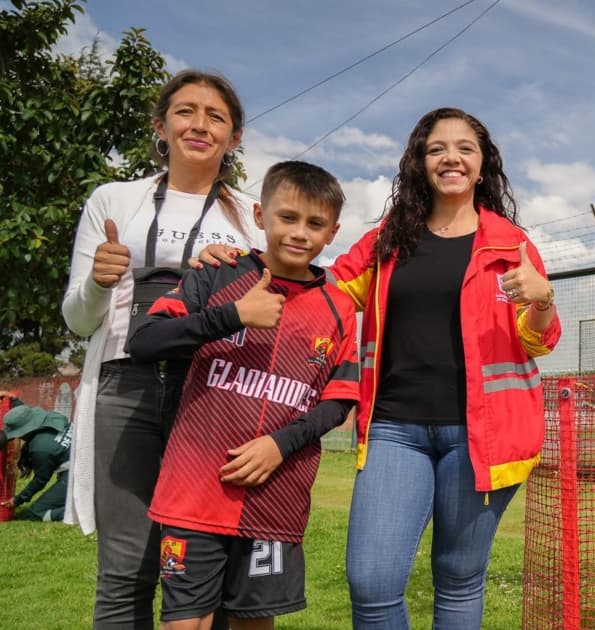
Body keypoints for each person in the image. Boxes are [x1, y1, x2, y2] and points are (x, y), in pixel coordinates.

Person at [337, 107, 559, 628]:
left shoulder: (513, 245)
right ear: (419, 162)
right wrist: (251, 264)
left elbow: (540, 340)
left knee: (458, 581)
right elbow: (328, 294)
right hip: (394, 429)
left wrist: (543, 300)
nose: (451, 157)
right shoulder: (387, 240)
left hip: (482, 436)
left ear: (482, 166)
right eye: (436, 148)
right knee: (371, 583)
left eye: (465, 148)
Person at [61, 69, 263, 628]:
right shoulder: (114, 200)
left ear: (234, 137)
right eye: (185, 111)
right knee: (126, 567)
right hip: (125, 386)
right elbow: (78, 323)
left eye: (216, 116)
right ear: (161, 125)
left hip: (215, 396)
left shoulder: (251, 216)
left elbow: (270, 312)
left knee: (209, 562)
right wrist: (99, 283)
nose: (199, 124)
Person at [126, 160, 359, 629]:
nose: (299, 233)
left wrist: (279, 444)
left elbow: (337, 403)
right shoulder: (218, 274)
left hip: (275, 499)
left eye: (315, 224)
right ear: (259, 215)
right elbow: (144, 342)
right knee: (185, 621)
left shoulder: (340, 309)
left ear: (332, 232)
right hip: (194, 494)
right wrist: (233, 314)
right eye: (287, 217)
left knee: (254, 621)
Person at [0, 393, 71, 522]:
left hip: (80, 474)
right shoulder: (52, 417)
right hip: (94, 461)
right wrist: (13, 399)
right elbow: (24, 415)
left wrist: (17, 500)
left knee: (37, 513)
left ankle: (87, 511)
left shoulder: (40, 448)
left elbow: (41, 480)